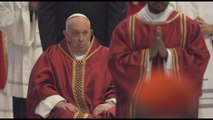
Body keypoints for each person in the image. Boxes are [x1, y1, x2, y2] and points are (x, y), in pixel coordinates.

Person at [108, 2, 210, 118]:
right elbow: (115, 62)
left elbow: (200, 59)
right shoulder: (126, 28)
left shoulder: (188, 26)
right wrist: (147, 56)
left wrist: (168, 55)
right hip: (139, 109)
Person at [26, 13, 116, 118]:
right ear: (66, 34)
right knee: (62, 114)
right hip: (68, 113)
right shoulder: (51, 56)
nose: (81, 38)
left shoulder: (108, 56)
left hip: (100, 112)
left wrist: (109, 103)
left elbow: (120, 84)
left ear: (91, 33)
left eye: (85, 33)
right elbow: (40, 85)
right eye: (75, 33)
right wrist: (58, 102)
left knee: (113, 112)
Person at [170, 2, 213, 118]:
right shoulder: (174, 3)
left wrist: (211, 29)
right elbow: (163, 25)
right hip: (184, 61)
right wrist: (186, 28)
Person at [0, 2, 43, 118]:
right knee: (21, 109)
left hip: (42, 53)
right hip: (19, 58)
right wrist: (27, 9)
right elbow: (3, 19)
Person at [38, 2, 127, 50]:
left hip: (100, 46)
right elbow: (46, 11)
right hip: (62, 46)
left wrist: (110, 52)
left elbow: (117, 12)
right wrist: (50, 51)